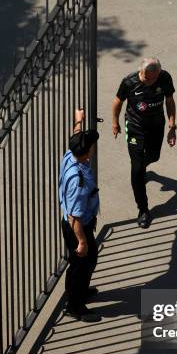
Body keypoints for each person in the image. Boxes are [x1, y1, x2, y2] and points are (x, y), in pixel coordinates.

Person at [112, 57, 177, 228]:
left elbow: (169, 101)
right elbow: (117, 102)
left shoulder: (165, 78)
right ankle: (143, 209)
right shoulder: (129, 82)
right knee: (137, 169)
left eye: (154, 78)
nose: (150, 82)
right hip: (135, 128)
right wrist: (115, 122)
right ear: (141, 72)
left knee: (154, 156)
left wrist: (172, 124)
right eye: (147, 78)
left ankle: (145, 168)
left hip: (156, 125)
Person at [59, 109, 100, 322]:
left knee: (87, 260)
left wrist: (78, 121)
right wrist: (82, 241)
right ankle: (75, 306)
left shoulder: (71, 155)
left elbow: (76, 139)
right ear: (86, 152)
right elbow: (74, 217)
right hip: (77, 227)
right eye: (92, 146)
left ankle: (79, 292)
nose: (94, 147)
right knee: (81, 263)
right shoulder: (78, 181)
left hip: (79, 223)